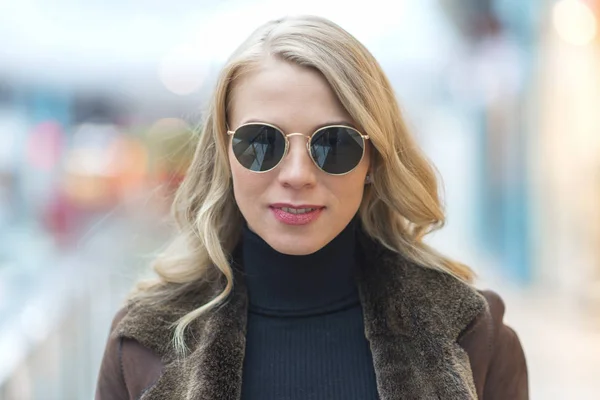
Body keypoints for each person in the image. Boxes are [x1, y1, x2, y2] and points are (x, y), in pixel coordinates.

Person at [95, 15, 528, 400]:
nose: (298, 174)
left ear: (373, 159)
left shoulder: (474, 335)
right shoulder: (142, 342)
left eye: (334, 143)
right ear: (224, 155)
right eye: (262, 142)